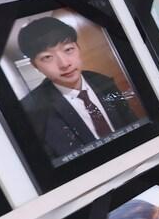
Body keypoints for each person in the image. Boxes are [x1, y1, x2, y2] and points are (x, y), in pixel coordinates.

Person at [17, 16, 140, 160]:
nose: (64, 64)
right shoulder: (30, 112)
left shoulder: (103, 81)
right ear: (35, 65)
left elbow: (132, 124)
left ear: (78, 48)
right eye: (47, 57)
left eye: (68, 49)